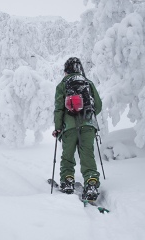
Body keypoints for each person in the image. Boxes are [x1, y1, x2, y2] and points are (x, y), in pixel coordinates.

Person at [52, 57, 102, 200]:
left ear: (66, 71)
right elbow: (97, 105)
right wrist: (88, 118)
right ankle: (91, 183)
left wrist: (58, 128)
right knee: (87, 155)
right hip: (88, 126)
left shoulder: (62, 85)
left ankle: (67, 181)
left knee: (67, 156)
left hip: (69, 128)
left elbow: (59, 109)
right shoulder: (88, 83)